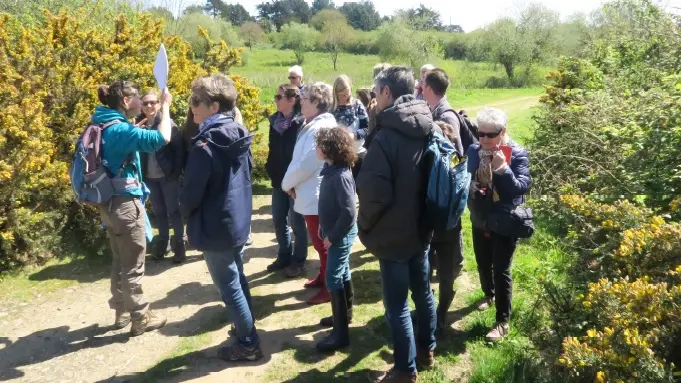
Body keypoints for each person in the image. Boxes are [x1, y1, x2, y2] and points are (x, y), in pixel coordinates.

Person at [357, 66, 438, 383]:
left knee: (397, 306)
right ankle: (426, 350)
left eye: (376, 93)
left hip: (392, 234)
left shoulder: (387, 136)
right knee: (423, 292)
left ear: (387, 93)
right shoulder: (428, 125)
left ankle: (405, 370)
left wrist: (364, 225)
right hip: (421, 228)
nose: (374, 100)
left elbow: (373, 194)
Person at [179, 74, 262, 361]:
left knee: (229, 287)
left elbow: (190, 194)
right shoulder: (240, 133)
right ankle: (246, 329)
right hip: (236, 220)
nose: (192, 108)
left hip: (215, 226)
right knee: (237, 278)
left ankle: (248, 343)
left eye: (196, 102)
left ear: (214, 106)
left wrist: (187, 218)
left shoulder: (206, 145)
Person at [93, 80, 171, 336]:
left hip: (108, 204)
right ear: (126, 101)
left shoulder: (101, 123)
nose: (141, 102)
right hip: (126, 206)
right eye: (138, 97)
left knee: (119, 260)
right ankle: (140, 317)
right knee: (133, 264)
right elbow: (161, 137)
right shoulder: (120, 131)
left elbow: (116, 148)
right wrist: (167, 107)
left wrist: (130, 130)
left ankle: (122, 311)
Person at [467, 107, 531, 342]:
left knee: (501, 268)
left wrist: (503, 169)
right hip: (480, 216)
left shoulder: (516, 153)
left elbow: (521, 188)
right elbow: (464, 174)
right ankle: (488, 294)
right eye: (479, 133)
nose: (483, 139)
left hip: (504, 220)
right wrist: (469, 187)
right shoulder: (474, 150)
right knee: (483, 262)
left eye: (489, 135)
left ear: (503, 131)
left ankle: (502, 321)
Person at [281, 82, 337, 305]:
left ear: (316, 103)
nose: (300, 102)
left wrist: (287, 184)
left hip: (316, 196)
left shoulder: (318, 128)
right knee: (319, 242)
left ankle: (330, 288)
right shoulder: (313, 124)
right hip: (310, 192)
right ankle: (324, 278)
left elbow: (305, 164)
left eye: (304, 99)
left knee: (323, 245)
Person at [314, 127, 358, 353]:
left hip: (339, 235)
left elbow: (349, 212)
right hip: (334, 232)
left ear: (328, 149)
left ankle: (340, 335)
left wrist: (332, 236)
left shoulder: (340, 176)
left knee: (332, 278)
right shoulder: (331, 169)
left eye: (319, 145)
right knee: (343, 272)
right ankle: (345, 315)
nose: (316, 148)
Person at [136, 90, 186, 264]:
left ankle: (180, 244)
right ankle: (163, 243)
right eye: (145, 103)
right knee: (159, 213)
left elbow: (179, 150)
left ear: (159, 104)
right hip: (150, 178)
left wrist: (175, 173)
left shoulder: (167, 123)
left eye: (153, 102)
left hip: (167, 177)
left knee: (174, 211)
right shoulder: (138, 126)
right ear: (141, 106)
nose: (149, 106)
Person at [265, 84, 309, 277]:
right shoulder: (274, 121)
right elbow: (272, 148)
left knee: (297, 222)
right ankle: (284, 255)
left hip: (295, 182)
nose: (275, 100)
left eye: (279, 97)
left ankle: (298, 260)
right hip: (278, 180)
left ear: (292, 100)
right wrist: (270, 167)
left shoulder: (301, 123)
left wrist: (295, 180)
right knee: (278, 219)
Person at [429, 121, 464, 333]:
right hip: (451, 224)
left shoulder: (430, 157)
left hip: (431, 224)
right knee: (446, 271)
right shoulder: (456, 158)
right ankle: (442, 313)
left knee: (425, 270)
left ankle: (429, 309)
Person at [422, 68, 476, 153]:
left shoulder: (447, 118)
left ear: (429, 88)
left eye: (423, 84)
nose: (421, 88)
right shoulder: (433, 110)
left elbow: (457, 154)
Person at [331, 75, 368, 179]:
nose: (345, 98)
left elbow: (367, 128)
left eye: (347, 94)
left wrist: (354, 135)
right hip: (338, 156)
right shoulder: (331, 109)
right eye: (341, 95)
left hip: (358, 153)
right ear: (335, 93)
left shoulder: (357, 105)